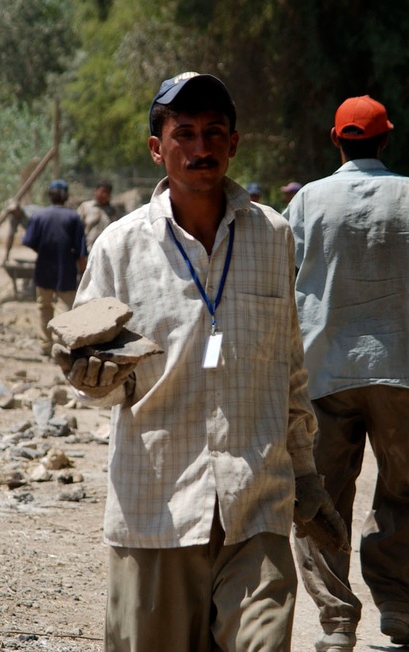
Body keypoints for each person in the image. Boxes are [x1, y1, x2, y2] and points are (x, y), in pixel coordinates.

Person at [58, 71, 346, 652]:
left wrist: (307, 474)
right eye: (183, 133)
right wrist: (91, 382)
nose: (200, 147)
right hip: (156, 507)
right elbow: (94, 370)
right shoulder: (120, 246)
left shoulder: (273, 237)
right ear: (156, 148)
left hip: (255, 504)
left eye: (214, 132)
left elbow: (289, 366)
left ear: (234, 144)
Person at [284, 95, 409, 651]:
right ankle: (395, 605)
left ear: (335, 139)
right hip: (396, 370)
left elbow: (280, 281)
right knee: (398, 488)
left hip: (322, 373)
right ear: (386, 139)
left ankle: (336, 622)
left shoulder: (306, 203)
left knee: (322, 493)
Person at [22, 180, 87, 356]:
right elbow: (81, 251)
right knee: (64, 307)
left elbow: (29, 241)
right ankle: (61, 344)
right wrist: (83, 271)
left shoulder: (39, 216)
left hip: (43, 268)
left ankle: (45, 345)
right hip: (66, 269)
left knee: (44, 306)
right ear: (66, 196)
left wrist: (43, 250)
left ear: (49, 195)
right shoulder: (73, 217)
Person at [76, 179, 120, 253]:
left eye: (107, 192)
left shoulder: (114, 210)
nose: (104, 195)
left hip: (108, 251)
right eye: (102, 191)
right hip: (88, 251)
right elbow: (77, 229)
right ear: (96, 191)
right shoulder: (85, 207)